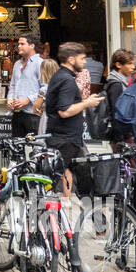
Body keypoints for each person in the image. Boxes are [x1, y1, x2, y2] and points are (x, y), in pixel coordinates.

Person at [44, 42, 105, 198]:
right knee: (84, 179)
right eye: (82, 59)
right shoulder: (67, 80)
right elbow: (64, 111)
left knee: (69, 172)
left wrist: (85, 101)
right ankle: (85, 208)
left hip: (65, 138)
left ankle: (69, 203)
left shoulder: (60, 76)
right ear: (71, 59)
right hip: (66, 139)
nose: (85, 62)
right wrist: (87, 103)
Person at [6, 35, 44, 137]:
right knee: (16, 148)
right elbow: (13, 85)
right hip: (17, 113)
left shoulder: (40, 63)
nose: (18, 46)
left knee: (37, 148)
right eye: (18, 44)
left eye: (22, 44)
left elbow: (46, 87)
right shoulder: (17, 64)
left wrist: (28, 99)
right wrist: (9, 99)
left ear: (32, 46)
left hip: (33, 113)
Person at [104, 48, 136, 149]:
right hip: (122, 137)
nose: (133, 67)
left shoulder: (123, 82)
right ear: (118, 65)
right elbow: (116, 112)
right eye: (129, 63)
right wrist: (120, 139)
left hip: (125, 134)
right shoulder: (116, 84)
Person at [34, 57, 58, 136]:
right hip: (60, 121)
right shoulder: (62, 86)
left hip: (47, 119)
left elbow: (35, 108)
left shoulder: (44, 90)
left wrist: (40, 110)